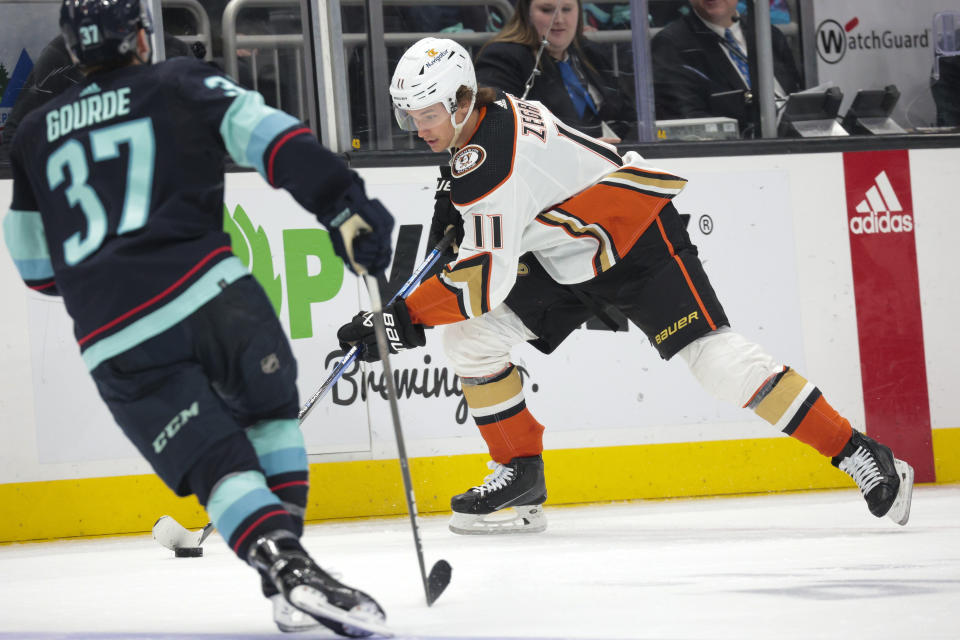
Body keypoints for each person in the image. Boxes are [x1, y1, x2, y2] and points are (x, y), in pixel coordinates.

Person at [337, 37, 915, 536]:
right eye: (408, 114)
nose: (418, 127)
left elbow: (482, 281)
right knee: (470, 342)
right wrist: (449, 202)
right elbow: (495, 208)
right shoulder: (485, 118)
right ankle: (520, 475)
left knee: (717, 363)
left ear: (463, 100)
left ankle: (861, 452)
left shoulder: (489, 160)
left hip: (634, 238)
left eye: (428, 113)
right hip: (564, 253)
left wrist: (399, 320)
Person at [2, 0, 392, 635]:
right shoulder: (178, 81)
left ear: (71, 50)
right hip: (215, 297)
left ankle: (287, 571)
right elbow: (275, 139)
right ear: (141, 36)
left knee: (219, 465)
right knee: (267, 418)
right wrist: (343, 205)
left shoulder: (31, 134)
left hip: (117, 333)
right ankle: (290, 573)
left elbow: (37, 271)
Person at [474, 0, 635, 143]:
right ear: (526, 13)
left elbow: (627, 114)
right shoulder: (502, 57)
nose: (558, 20)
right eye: (547, 10)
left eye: (566, 9)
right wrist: (581, 149)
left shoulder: (590, 52)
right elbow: (497, 124)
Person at [651, 0, 801, 136]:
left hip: (796, 141)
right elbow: (688, 120)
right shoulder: (672, 44)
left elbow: (796, 96)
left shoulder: (769, 34)